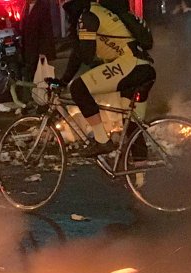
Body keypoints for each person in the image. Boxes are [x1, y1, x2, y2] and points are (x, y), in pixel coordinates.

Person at [58, 0, 155, 157]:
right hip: (142, 66)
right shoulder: (98, 11)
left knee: (78, 88)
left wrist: (66, 79)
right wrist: (63, 80)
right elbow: (80, 55)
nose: (60, 3)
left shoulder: (87, 16)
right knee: (132, 127)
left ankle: (102, 141)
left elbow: (86, 56)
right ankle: (139, 177)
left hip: (130, 65)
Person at [19, 0, 56, 87]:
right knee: (31, 72)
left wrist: (43, 51)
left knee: (39, 73)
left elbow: (46, 30)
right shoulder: (26, 6)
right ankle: (32, 93)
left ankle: (38, 94)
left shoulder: (42, 6)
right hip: (29, 47)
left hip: (37, 47)